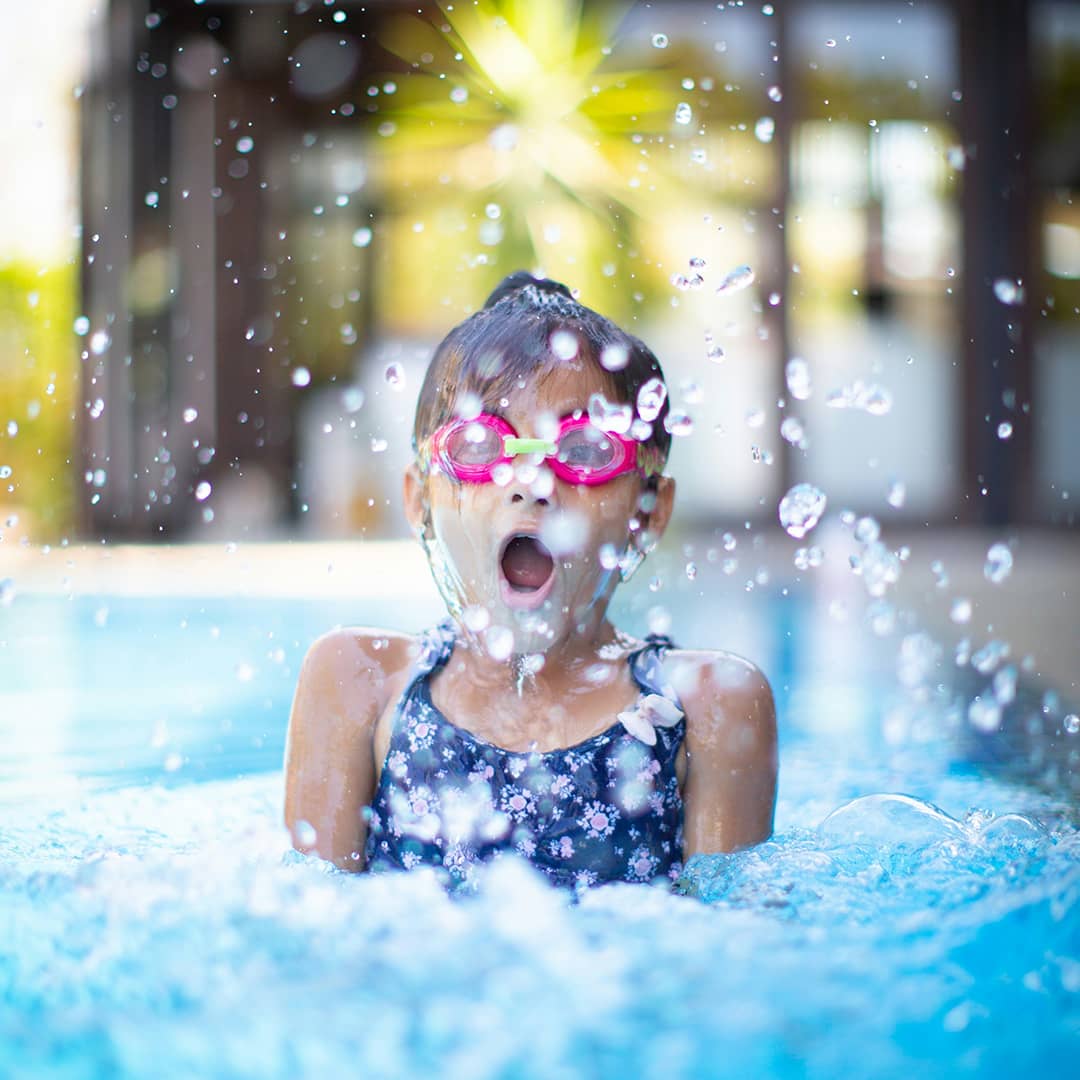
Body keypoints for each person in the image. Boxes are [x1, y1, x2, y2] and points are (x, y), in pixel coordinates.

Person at [284, 272, 777, 891]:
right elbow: (312, 940)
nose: (530, 482)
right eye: (479, 445)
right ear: (419, 501)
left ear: (649, 510)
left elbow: (733, 954)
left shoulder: (707, 703)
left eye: (588, 452)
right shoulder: (359, 681)